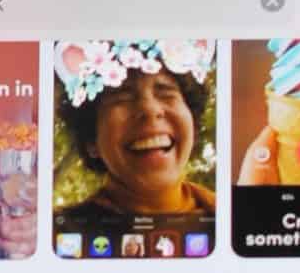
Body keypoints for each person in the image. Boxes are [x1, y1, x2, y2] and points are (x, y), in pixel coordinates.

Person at [55, 39, 215, 238]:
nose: (150, 110)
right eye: (122, 97)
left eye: (166, 93)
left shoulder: (232, 218)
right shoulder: (56, 234)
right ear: (91, 141)